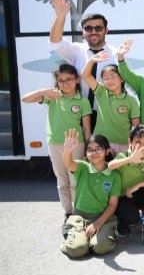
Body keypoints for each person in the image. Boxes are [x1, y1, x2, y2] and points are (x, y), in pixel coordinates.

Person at [22, 64, 92, 220]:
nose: (65, 83)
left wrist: (89, 147)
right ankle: (68, 212)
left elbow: (87, 127)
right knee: (62, 181)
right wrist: (42, 92)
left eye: (69, 79)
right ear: (56, 82)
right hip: (55, 144)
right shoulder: (52, 97)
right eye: (61, 80)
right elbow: (24, 99)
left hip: (76, 145)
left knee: (75, 181)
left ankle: (79, 212)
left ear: (77, 80)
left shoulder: (83, 101)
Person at [49, 0, 118, 112]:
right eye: (88, 28)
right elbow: (55, 42)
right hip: (78, 113)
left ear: (106, 30)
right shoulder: (76, 50)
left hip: (106, 115)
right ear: (83, 31)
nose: (93, 31)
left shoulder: (116, 54)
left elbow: (128, 85)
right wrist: (60, 17)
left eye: (98, 28)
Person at [60, 130, 120, 258]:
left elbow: (112, 205)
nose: (94, 153)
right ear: (86, 154)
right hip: (80, 217)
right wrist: (67, 150)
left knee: (101, 247)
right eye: (89, 150)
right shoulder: (83, 167)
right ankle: (72, 234)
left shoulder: (114, 175)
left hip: (103, 217)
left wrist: (98, 223)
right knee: (77, 249)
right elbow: (68, 163)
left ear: (107, 151)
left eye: (98, 149)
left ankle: (90, 239)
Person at [81, 51, 140, 155]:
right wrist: (91, 61)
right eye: (105, 78)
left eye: (113, 76)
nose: (110, 80)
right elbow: (86, 76)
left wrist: (134, 146)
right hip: (101, 144)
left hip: (124, 144)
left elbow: (136, 126)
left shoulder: (131, 100)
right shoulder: (101, 92)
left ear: (122, 78)